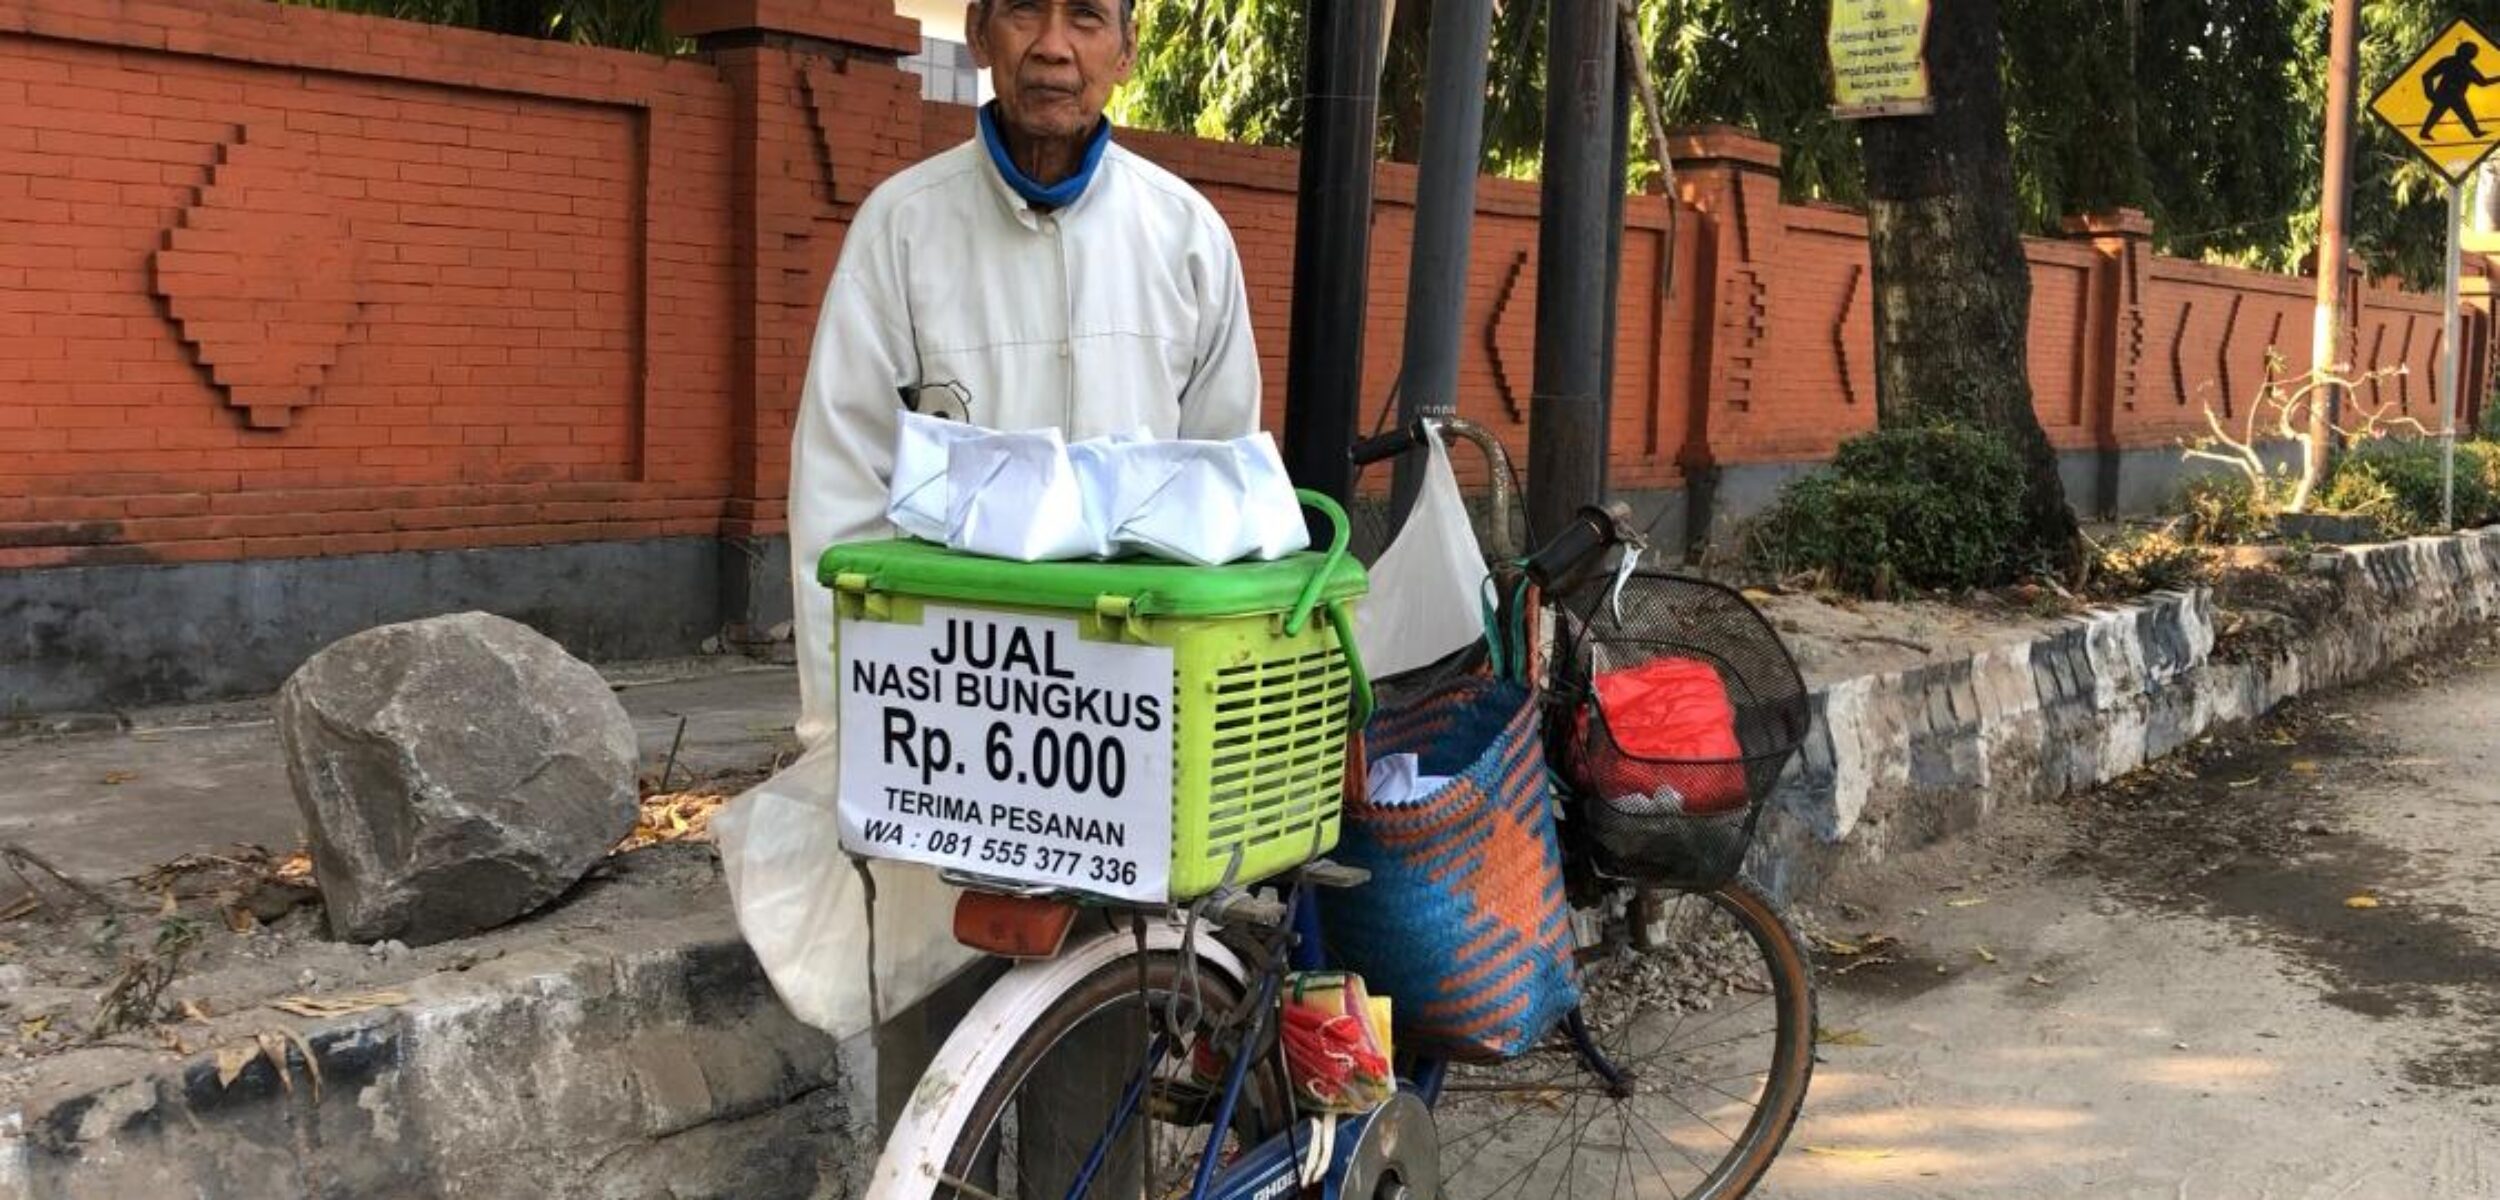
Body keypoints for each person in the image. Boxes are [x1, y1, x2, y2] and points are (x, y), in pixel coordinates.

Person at [710, 0, 1264, 1039]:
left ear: (1125, 48)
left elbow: (1222, 498)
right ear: (979, 34)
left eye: (1088, 18)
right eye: (1024, 12)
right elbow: (839, 484)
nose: (1053, 46)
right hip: (947, 717)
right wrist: (843, 721)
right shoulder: (903, 227)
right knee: (930, 1045)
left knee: (1093, 1037)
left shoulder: (1185, 236)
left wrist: (1198, 726)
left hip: (1119, 718)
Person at [2420, 42, 2495, 142]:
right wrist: (2429, 93)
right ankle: (2424, 132)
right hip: (2443, 94)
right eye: (2467, 52)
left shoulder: (2469, 68)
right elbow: (2427, 75)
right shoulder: (2447, 62)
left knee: (2465, 114)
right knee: (2436, 113)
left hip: (2457, 97)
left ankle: (2475, 132)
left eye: (2471, 54)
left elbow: (2482, 82)